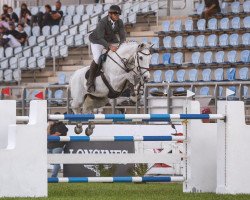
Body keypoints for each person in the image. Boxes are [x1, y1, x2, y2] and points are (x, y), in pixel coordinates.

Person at [87, 5, 126, 93]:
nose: (117, 16)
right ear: (110, 14)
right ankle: (90, 82)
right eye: (115, 14)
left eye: (118, 14)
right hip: (97, 41)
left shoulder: (119, 22)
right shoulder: (103, 22)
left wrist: (123, 42)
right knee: (97, 58)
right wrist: (110, 46)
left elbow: (122, 34)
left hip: (109, 40)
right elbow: (100, 38)